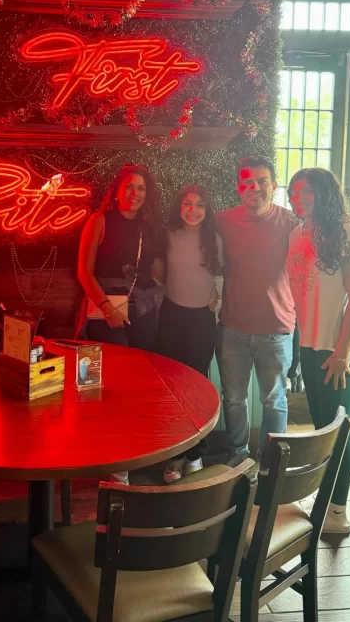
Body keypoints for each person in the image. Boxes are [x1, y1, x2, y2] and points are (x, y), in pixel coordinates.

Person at [287, 167, 350, 534]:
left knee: (338, 429)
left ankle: (337, 511)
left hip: (340, 348)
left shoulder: (346, 229)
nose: (300, 199)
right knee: (322, 427)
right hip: (310, 343)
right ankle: (326, 496)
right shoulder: (297, 233)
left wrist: (342, 354)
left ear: (326, 193)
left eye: (308, 192)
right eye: (294, 192)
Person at [77, 164, 163, 485]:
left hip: (142, 312)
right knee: (105, 386)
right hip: (105, 313)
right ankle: (112, 462)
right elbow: (84, 271)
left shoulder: (150, 227)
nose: (135, 193)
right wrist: (106, 308)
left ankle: (132, 454)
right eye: (129, 186)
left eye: (141, 188)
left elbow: (157, 272)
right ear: (116, 190)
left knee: (136, 387)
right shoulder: (99, 221)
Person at [216, 155, 297, 467]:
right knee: (234, 398)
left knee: (274, 399)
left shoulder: (291, 223)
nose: (255, 188)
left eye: (262, 181)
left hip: (276, 329)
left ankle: (271, 462)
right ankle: (238, 456)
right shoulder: (222, 220)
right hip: (233, 329)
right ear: (239, 188)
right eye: (248, 182)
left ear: (274, 185)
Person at [155, 184, 223, 482]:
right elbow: (157, 271)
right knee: (172, 389)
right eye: (187, 204)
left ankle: (195, 455)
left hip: (202, 320)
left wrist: (219, 297)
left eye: (199, 205)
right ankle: (174, 457)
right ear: (179, 207)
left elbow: (222, 276)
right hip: (171, 316)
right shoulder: (168, 235)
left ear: (207, 210)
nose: (193, 210)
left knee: (197, 389)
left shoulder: (214, 240)